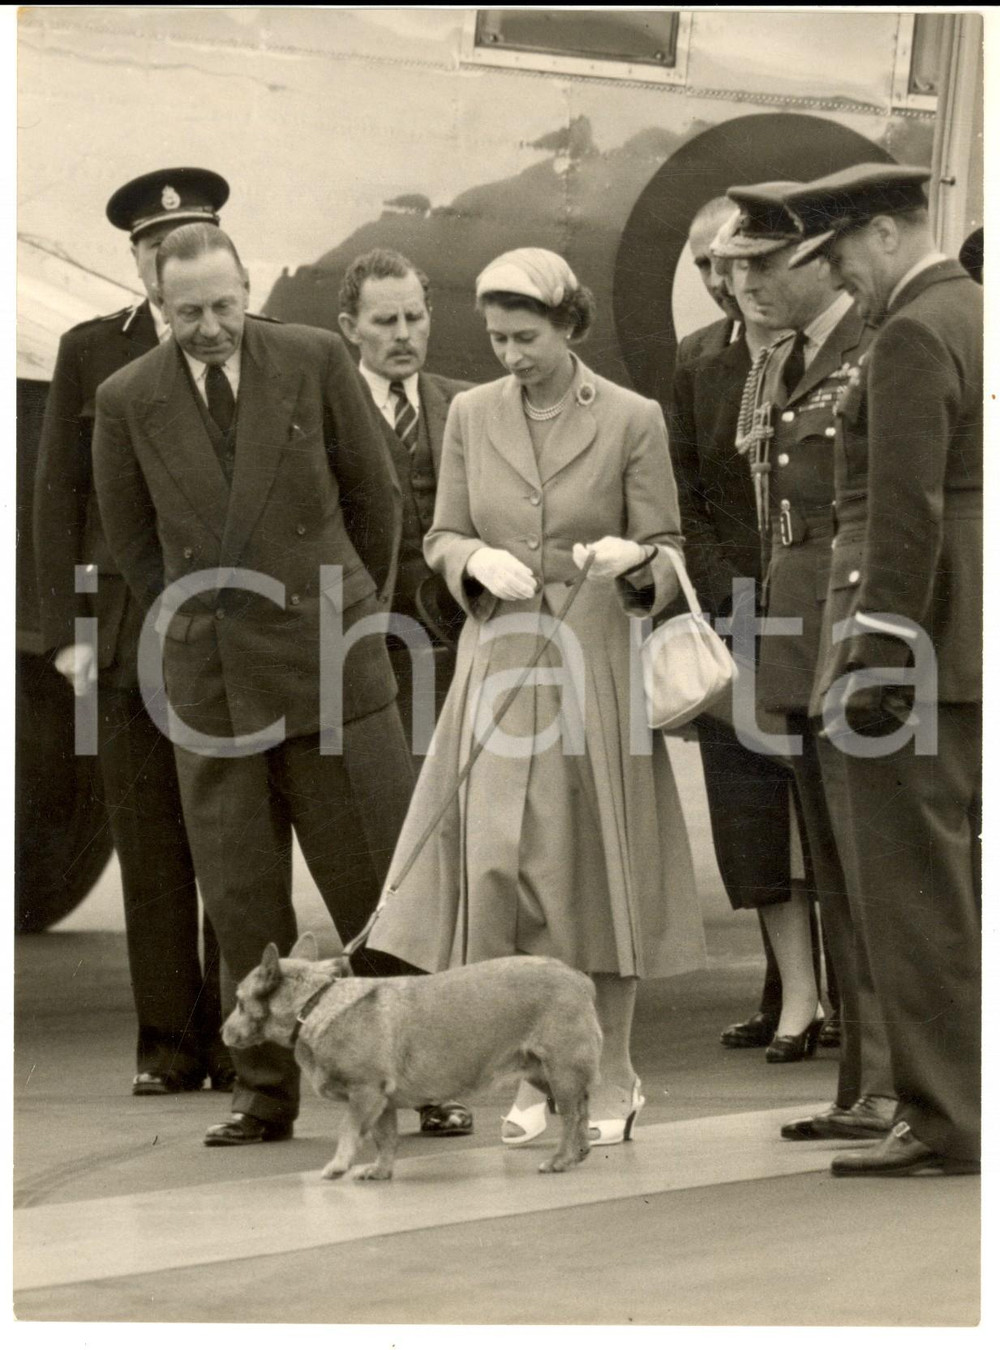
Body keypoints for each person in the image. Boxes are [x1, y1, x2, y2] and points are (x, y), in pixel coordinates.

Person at [367, 247, 706, 1145]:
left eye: (526, 336)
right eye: (495, 337)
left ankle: (615, 1076)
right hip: (500, 663)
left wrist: (635, 561)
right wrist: (470, 559)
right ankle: (530, 1075)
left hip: (593, 659)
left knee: (598, 879)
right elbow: (442, 530)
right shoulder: (473, 415)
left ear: (570, 327)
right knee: (497, 873)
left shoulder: (633, 418)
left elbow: (668, 546)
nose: (509, 354)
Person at [93, 223, 417, 1147]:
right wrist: (198, 622)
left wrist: (352, 621)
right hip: (212, 686)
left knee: (376, 891)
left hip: (332, 670)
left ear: (247, 287)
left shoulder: (313, 359)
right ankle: (264, 1089)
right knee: (242, 899)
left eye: (225, 305)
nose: (210, 326)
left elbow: (376, 501)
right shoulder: (127, 398)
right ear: (156, 303)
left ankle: (415, 1071)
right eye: (187, 311)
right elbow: (133, 543)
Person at [785, 164, 982, 1177]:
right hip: (969, 645)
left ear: (885, 233)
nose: (841, 278)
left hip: (915, 649)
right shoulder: (976, 313)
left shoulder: (909, 331)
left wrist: (879, 655)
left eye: (843, 254)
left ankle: (947, 1121)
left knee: (916, 895)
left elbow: (904, 510)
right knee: (956, 887)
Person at [33, 167, 234, 1097]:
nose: (168, 255)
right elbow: (57, 497)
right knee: (150, 838)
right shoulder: (89, 350)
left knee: (235, 833)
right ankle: (166, 1041)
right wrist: (69, 629)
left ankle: (236, 1029)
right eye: (154, 246)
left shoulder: (250, 345)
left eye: (187, 238)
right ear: (139, 261)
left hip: (225, 629)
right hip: (122, 630)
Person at [717, 181, 896, 1135]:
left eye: (760, 264)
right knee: (830, 868)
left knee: (869, 874)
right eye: (735, 266)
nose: (742, 282)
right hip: (799, 632)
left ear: (814, 260)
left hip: (851, 631)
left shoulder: (870, 348)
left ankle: (894, 1085)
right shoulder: (783, 362)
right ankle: (863, 1087)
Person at [670, 199, 838, 1054]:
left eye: (733, 265)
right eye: (705, 266)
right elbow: (688, 496)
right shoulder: (700, 362)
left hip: (813, 617)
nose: (720, 282)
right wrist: (729, 597)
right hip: (737, 616)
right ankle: (792, 997)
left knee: (827, 812)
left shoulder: (825, 356)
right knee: (753, 818)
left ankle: (838, 993)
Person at [337, 247, 474, 1140]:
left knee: (438, 856)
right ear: (348, 328)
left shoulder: (460, 405)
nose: (403, 335)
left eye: (415, 317)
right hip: (352, 659)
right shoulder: (322, 402)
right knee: (376, 854)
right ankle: (377, 1060)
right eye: (384, 321)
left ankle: (438, 1066)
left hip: (446, 656)